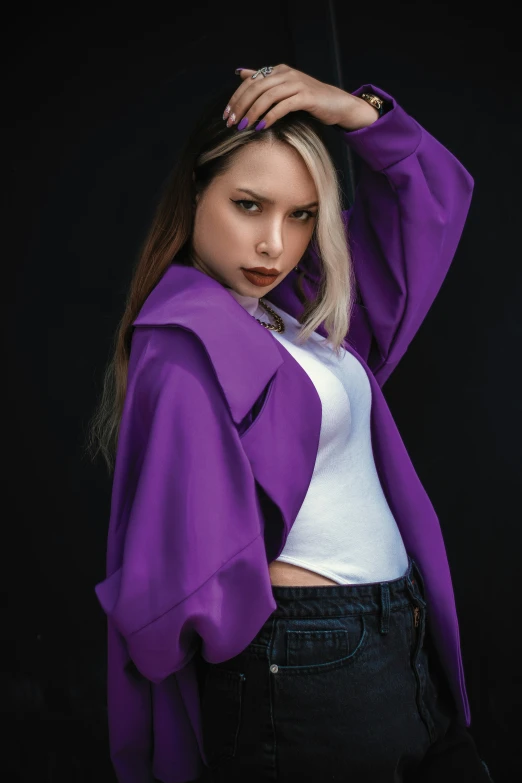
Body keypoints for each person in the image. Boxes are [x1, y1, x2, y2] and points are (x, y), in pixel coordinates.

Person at [87, 64, 494, 782]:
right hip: (309, 657)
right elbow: (171, 585)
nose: (275, 243)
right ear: (195, 192)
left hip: (401, 632)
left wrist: (355, 112)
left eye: (302, 213)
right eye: (249, 205)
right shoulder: (182, 337)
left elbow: (426, 208)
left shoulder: (294, 309)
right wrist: (263, 636)